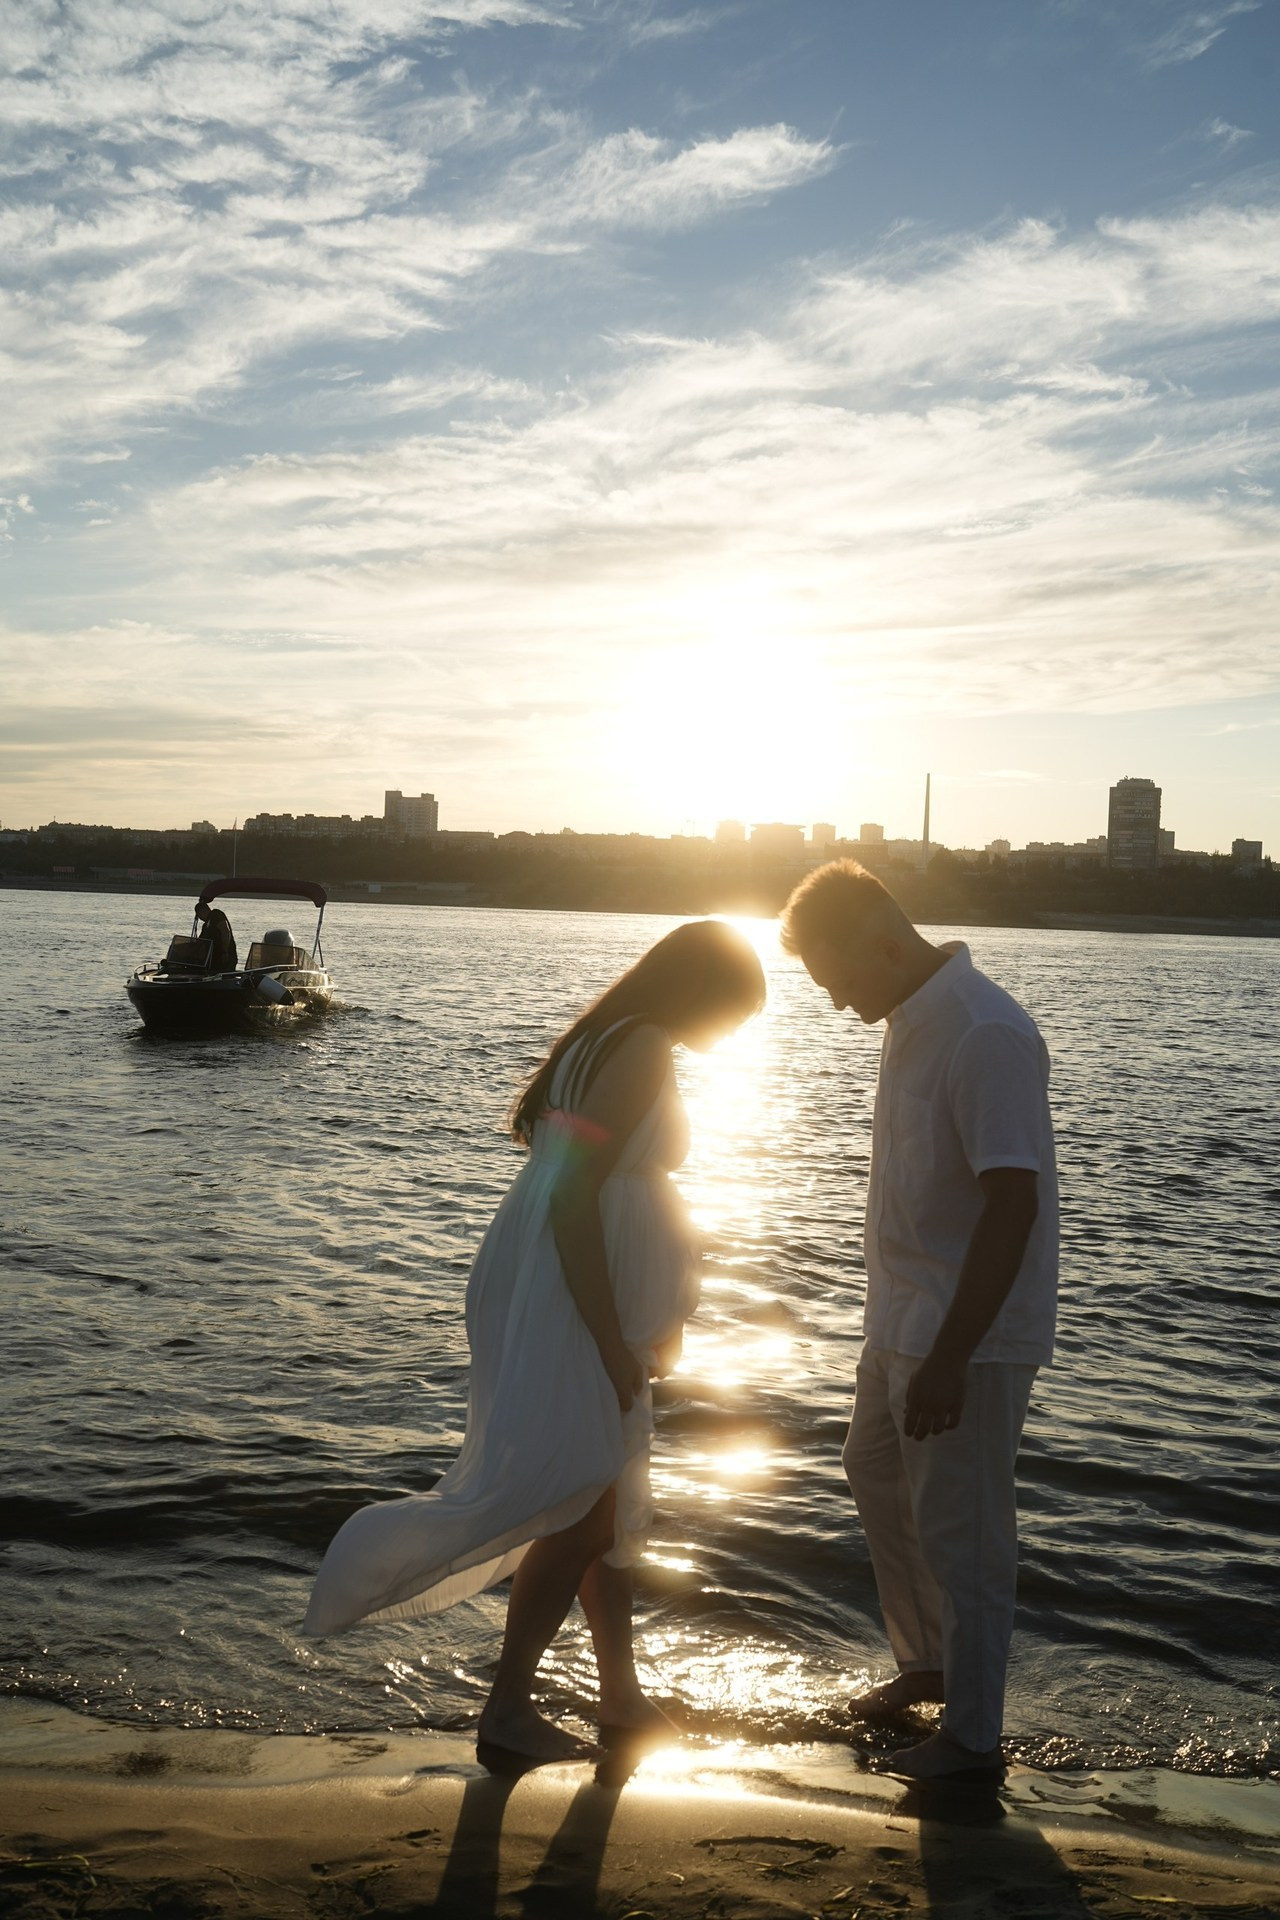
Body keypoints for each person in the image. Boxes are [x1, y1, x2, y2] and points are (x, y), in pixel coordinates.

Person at [304, 919, 766, 1765]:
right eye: (733, 1012)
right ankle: (508, 1708)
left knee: (603, 1507)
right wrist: (607, 1340)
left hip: (556, 1285)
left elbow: (565, 1174)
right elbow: (574, 1198)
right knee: (582, 1509)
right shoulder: (641, 1046)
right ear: (699, 989)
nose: (730, 1034)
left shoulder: (605, 1037)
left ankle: (619, 1701)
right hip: (571, 1298)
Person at [780, 861, 1058, 1782]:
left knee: (966, 1534)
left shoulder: (984, 1034)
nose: (837, 1004)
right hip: (900, 1321)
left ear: (887, 944)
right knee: (870, 1469)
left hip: (960, 1340)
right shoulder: (908, 1017)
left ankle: (974, 1739)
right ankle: (928, 1665)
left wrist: (949, 1356)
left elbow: (1010, 1205)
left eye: (841, 981)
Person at [194, 899, 237, 972]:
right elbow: (201, 942)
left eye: (199, 915)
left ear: (202, 911)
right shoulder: (205, 926)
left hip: (225, 956)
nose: (200, 918)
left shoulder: (216, 914)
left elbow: (225, 932)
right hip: (213, 960)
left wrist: (225, 952)